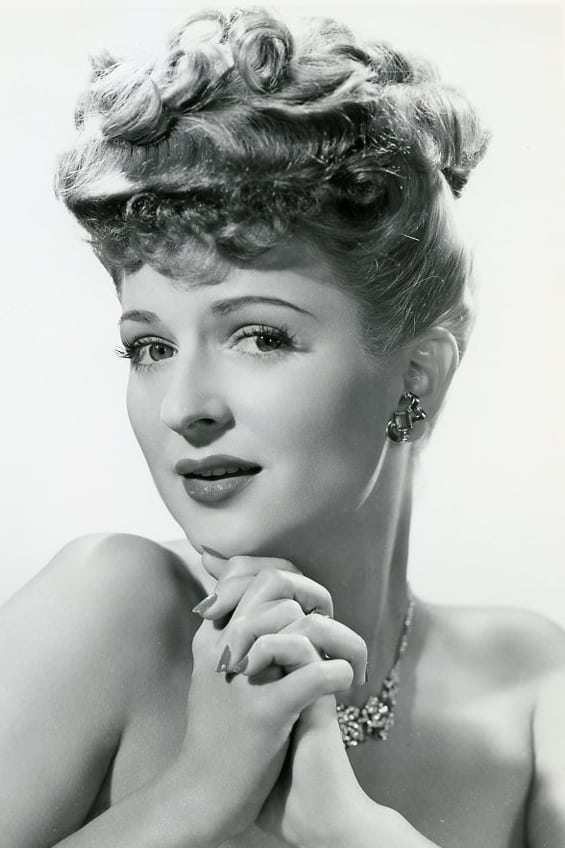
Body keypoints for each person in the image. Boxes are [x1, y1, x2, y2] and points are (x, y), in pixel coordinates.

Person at [2, 6, 564, 847]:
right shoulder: (110, 608)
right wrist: (201, 788)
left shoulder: (531, 690)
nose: (183, 405)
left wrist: (347, 827)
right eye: (150, 346)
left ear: (418, 375)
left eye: (260, 336)